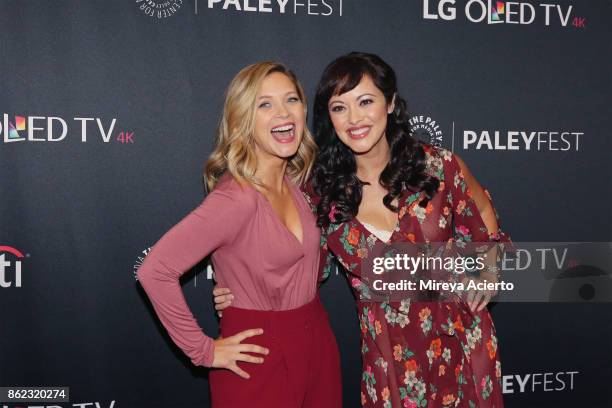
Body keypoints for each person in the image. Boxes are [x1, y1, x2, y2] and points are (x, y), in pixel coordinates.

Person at [214, 52, 511, 407]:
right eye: (339, 107)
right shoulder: (321, 195)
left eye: (365, 101)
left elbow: (483, 217)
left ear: (390, 104)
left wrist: (490, 269)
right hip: (391, 365)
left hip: (462, 345)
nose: (354, 119)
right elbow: (295, 264)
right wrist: (238, 288)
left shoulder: (439, 166)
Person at [137, 61, 342, 408]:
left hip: (316, 341)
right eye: (265, 104)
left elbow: (307, 265)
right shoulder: (237, 198)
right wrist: (204, 351)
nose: (283, 113)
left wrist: (245, 280)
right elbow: (154, 271)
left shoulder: (300, 185)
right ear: (243, 120)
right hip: (258, 356)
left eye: (291, 100)